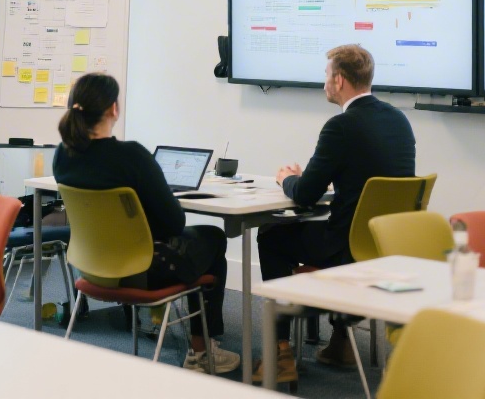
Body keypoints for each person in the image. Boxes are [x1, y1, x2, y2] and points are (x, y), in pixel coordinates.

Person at [51, 73, 239, 375]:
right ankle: (201, 352)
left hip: (90, 265)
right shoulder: (132, 155)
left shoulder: (63, 155)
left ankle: (195, 343)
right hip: (141, 269)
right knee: (213, 237)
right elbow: (175, 223)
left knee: (195, 240)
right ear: (114, 108)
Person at [255, 44, 416, 382]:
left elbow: (305, 194)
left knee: (271, 234)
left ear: (340, 80)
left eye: (326, 76)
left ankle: (280, 350)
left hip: (346, 249)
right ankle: (341, 340)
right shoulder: (399, 120)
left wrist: (287, 178)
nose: (324, 83)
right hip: (385, 248)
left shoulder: (340, 127)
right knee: (319, 227)